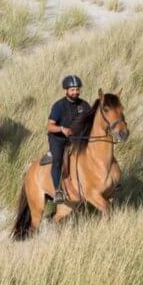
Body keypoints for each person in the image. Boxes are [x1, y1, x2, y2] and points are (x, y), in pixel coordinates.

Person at [46, 75, 91, 203]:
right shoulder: (59, 106)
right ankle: (58, 191)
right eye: (72, 89)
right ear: (66, 90)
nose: (75, 92)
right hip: (58, 139)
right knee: (57, 161)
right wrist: (62, 129)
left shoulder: (84, 104)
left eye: (77, 89)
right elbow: (49, 126)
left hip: (76, 138)